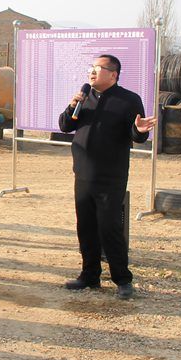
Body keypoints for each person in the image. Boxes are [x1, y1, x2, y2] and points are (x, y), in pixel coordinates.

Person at [58, 54, 155, 299]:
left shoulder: (129, 100)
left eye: (98, 68)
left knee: (110, 228)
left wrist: (139, 130)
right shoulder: (84, 97)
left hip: (110, 176)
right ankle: (89, 275)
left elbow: (137, 134)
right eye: (91, 67)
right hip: (83, 174)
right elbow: (65, 126)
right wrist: (72, 105)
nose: (92, 72)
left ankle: (122, 279)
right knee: (86, 227)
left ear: (113, 74)